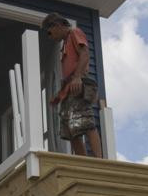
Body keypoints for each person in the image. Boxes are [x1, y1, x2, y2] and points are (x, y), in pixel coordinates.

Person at [41, 13, 103, 158]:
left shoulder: (75, 33)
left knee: (85, 122)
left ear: (57, 25)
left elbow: (85, 54)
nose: (50, 37)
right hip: (70, 87)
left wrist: (77, 78)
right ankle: (83, 162)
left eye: (49, 32)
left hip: (79, 83)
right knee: (70, 128)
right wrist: (59, 95)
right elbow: (67, 77)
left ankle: (99, 160)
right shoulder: (64, 44)